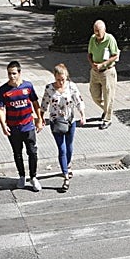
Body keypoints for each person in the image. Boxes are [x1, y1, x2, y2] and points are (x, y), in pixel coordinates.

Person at [0, 60, 43, 191]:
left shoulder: (28, 86)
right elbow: (1, 109)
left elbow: (35, 103)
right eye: (9, 74)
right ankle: (21, 176)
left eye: (14, 73)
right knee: (17, 153)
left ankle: (33, 177)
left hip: (28, 126)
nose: (12, 76)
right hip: (13, 128)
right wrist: (3, 125)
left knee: (32, 152)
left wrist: (39, 119)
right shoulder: (3, 90)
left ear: (19, 73)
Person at [40, 63, 86, 191]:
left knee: (69, 146)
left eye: (63, 79)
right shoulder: (49, 88)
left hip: (70, 120)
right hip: (56, 121)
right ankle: (65, 175)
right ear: (54, 77)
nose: (60, 82)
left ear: (67, 77)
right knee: (62, 148)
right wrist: (41, 117)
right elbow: (44, 103)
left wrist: (82, 115)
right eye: (58, 80)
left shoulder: (71, 87)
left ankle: (68, 164)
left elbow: (79, 101)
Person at [86, 19, 120, 129]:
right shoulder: (92, 39)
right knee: (94, 94)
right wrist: (92, 64)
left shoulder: (110, 39)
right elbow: (89, 54)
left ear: (104, 30)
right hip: (95, 71)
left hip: (107, 72)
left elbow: (115, 55)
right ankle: (106, 110)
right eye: (95, 31)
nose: (97, 33)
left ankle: (107, 119)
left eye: (99, 31)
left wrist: (103, 64)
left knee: (108, 96)